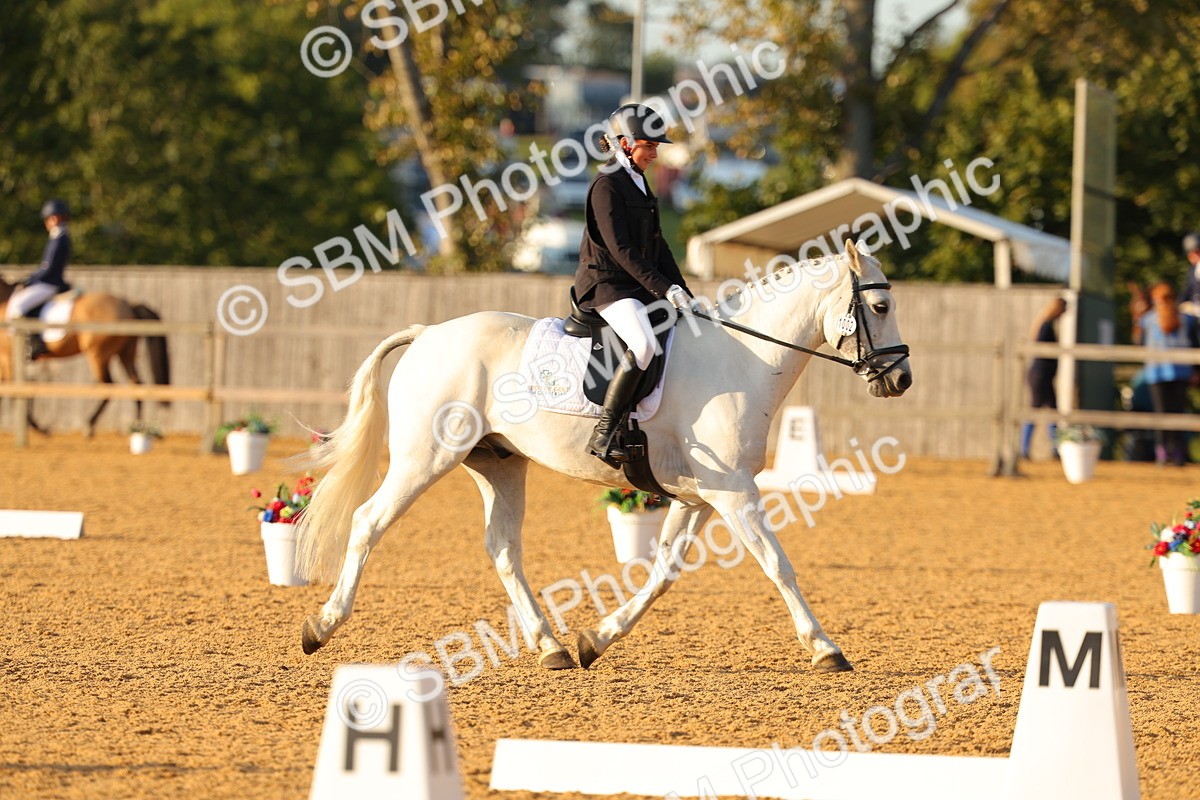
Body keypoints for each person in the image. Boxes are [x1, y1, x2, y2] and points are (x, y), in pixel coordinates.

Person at [574, 103, 700, 467]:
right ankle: (604, 432)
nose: (655, 153)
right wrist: (663, 289)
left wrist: (682, 291)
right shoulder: (606, 185)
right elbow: (621, 249)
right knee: (643, 343)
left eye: (656, 146)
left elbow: (659, 247)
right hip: (606, 285)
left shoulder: (639, 183)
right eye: (650, 145)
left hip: (633, 286)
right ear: (626, 143)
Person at [1137, 282, 1200, 466]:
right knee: (1172, 412)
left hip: (1164, 372)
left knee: (1165, 413)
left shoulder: (1150, 319)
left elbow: (1139, 343)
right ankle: (1172, 452)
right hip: (1171, 371)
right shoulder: (1184, 320)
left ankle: (1167, 452)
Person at [5, 199, 72, 360]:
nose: (46, 222)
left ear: (56, 218)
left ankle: (35, 343)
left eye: (48, 218)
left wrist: (29, 280)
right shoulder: (58, 237)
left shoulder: (59, 238)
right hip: (48, 281)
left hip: (49, 283)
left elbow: (47, 268)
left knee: (18, 306)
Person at [1021, 297, 1067, 459]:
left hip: (1044, 375)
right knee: (1036, 410)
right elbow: (1041, 346)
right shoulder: (1046, 326)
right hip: (1041, 375)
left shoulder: (1047, 324)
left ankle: (1054, 448)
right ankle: (1024, 448)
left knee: (1051, 410)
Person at [1181, 232, 1200, 314]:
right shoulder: (1192, 271)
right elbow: (1186, 292)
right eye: (1190, 254)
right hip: (1193, 311)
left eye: (1197, 252)